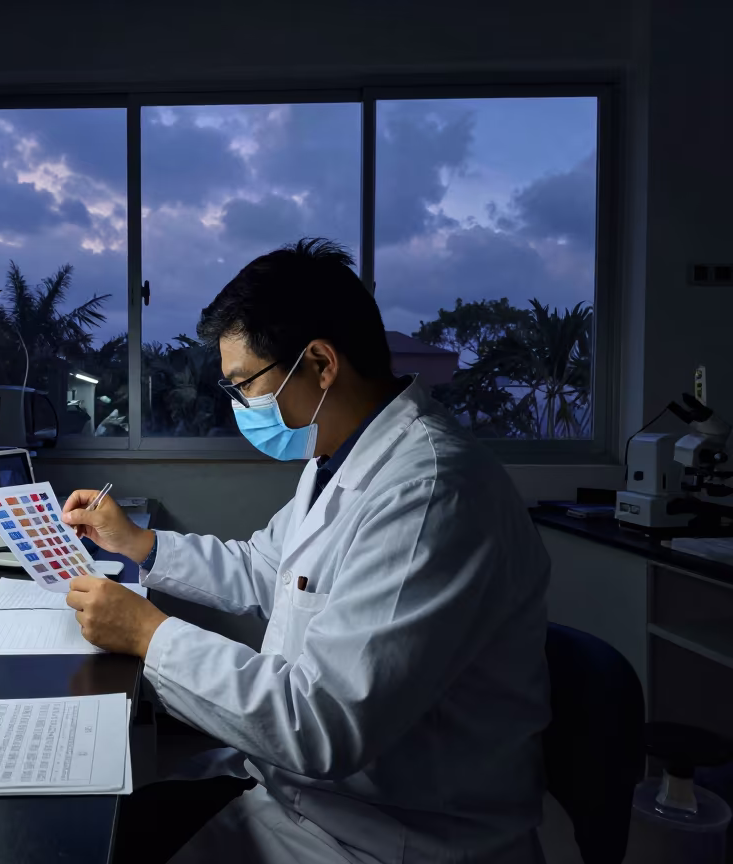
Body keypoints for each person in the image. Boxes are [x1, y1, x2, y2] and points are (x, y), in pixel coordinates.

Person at [61, 238, 551, 864]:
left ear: (321, 364)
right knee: (115, 827)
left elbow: (323, 723)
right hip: (309, 801)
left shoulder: (431, 491)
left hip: (392, 837)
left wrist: (149, 636)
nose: (243, 407)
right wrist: (139, 544)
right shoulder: (340, 458)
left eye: (246, 386)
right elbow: (270, 569)